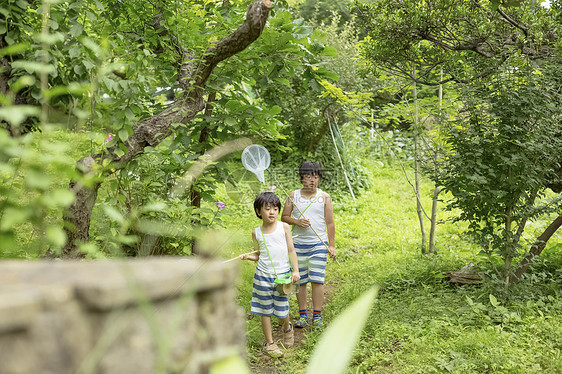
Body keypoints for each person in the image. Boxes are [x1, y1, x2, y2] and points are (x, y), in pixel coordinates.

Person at [241, 192, 300, 357]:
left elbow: (291, 250)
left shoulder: (284, 227)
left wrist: (295, 270)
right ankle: (270, 343)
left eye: (275, 208)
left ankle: (287, 328)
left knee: (282, 310)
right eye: (267, 209)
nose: (272, 212)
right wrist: (248, 257)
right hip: (262, 276)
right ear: (259, 212)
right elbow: (259, 254)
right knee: (264, 310)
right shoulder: (256, 233)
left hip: (282, 276)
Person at [281, 161, 336, 328]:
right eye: (308, 177)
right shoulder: (292, 195)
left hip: (318, 244)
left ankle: (317, 315)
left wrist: (331, 246)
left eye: (316, 177)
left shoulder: (324, 197)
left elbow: (330, 223)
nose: (313, 180)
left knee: (317, 280)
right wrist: (297, 221)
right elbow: (284, 217)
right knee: (300, 280)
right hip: (297, 245)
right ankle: (303, 314)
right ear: (300, 178)